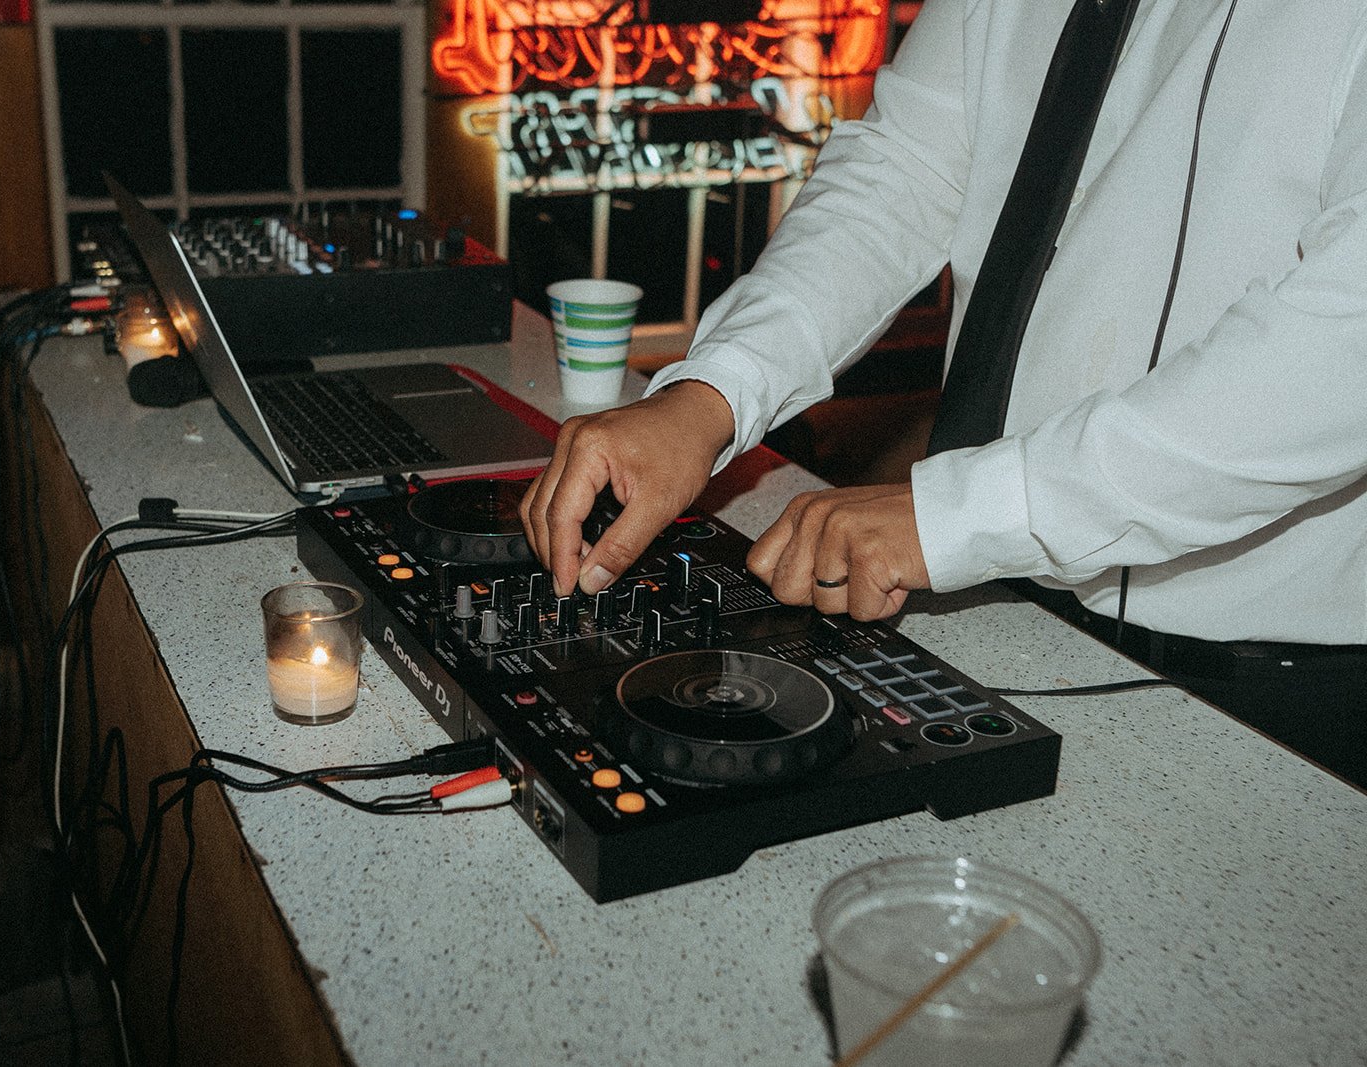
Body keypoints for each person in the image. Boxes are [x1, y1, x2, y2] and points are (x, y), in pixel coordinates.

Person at [520, 0, 1367, 786]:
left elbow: (1342, 343)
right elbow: (906, 168)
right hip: (996, 601)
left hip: (1261, 697)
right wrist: (711, 393)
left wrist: (971, 512)